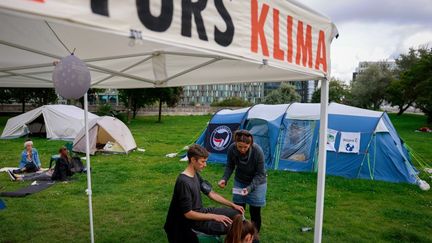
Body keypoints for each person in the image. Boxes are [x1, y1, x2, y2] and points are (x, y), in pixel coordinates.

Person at [164, 144, 245, 243]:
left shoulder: (195, 175)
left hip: (201, 212)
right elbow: (188, 214)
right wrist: (214, 217)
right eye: (203, 161)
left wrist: (233, 205)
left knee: (237, 215)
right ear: (193, 160)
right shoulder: (183, 182)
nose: (205, 165)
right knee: (231, 227)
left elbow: (211, 193)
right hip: (190, 222)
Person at [218, 130, 267, 234]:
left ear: (250, 144)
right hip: (240, 181)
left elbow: (260, 174)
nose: (242, 150)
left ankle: (254, 236)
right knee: (238, 211)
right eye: (240, 146)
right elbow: (230, 165)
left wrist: (249, 188)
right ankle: (240, 233)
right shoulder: (232, 149)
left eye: (245, 147)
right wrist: (224, 179)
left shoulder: (257, 151)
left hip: (257, 183)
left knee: (255, 212)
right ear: (235, 142)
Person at [7, 147, 72, 182]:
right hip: (50, 172)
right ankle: (18, 176)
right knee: (36, 174)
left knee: (35, 177)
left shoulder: (61, 160)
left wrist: (64, 180)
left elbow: (62, 170)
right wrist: (50, 169)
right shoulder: (65, 159)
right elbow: (57, 167)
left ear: (60, 153)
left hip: (51, 175)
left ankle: (17, 179)